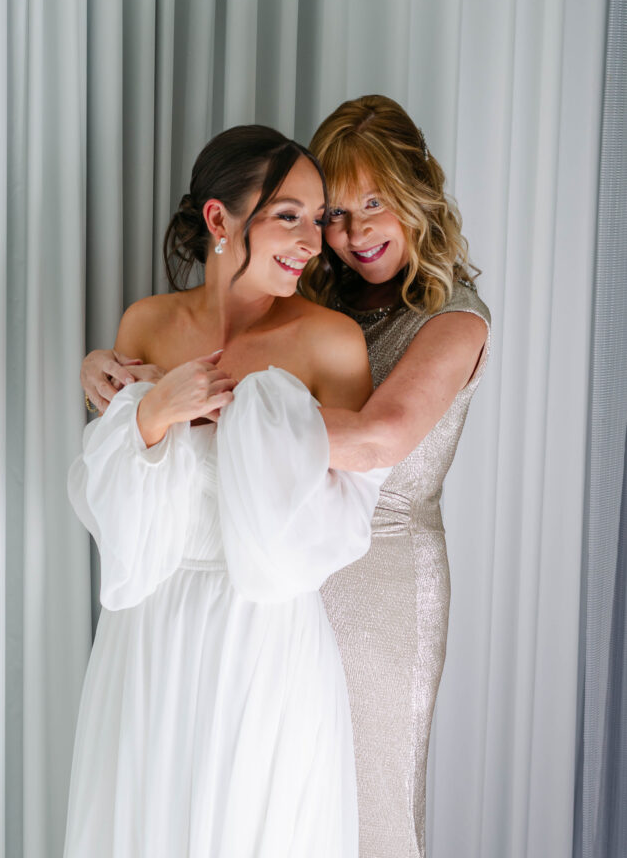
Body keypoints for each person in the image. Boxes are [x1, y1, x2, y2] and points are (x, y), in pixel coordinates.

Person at [82, 96, 491, 858]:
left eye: (372, 205)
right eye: (329, 215)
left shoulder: (451, 318)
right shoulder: (321, 297)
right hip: (213, 591)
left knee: (363, 804)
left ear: (417, 194)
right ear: (219, 221)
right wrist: (131, 403)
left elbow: (380, 437)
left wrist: (192, 410)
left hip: (374, 577)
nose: (346, 232)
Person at [63, 125, 388, 858]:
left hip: (266, 637)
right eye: (290, 215)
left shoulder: (332, 342)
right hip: (148, 631)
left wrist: (249, 420)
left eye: (320, 218)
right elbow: (117, 516)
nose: (315, 240)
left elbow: (339, 523)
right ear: (219, 220)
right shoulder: (146, 324)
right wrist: (151, 413)